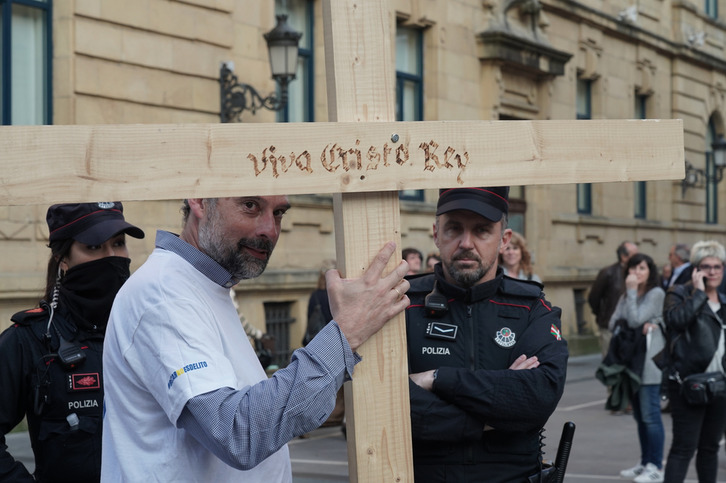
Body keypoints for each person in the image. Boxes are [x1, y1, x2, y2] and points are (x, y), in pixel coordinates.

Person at [101, 197, 410, 481]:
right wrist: (345, 333)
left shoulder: (204, 284)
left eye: (278, 213)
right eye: (250, 205)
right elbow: (236, 433)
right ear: (198, 200)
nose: (269, 230)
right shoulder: (164, 293)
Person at [405, 187, 568, 482]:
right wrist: (493, 418)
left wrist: (436, 379)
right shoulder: (403, 305)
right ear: (436, 234)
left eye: (481, 231)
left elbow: (537, 396)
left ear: (504, 240)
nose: (466, 243)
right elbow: (390, 405)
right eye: (454, 228)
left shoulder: (532, 309)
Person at [0, 202, 144, 482]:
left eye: (118, 243)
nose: (112, 256)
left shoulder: (149, 329)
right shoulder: (30, 339)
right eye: (93, 247)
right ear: (63, 259)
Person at [662, 240, 726, 483]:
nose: (712, 272)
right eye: (706, 266)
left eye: (717, 266)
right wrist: (698, 293)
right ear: (696, 269)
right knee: (683, 448)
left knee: (710, 448)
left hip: (720, 385)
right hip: (689, 383)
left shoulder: (724, 300)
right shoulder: (678, 293)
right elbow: (676, 321)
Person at [608, 253, 666, 483]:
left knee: (651, 416)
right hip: (631, 363)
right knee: (640, 417)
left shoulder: (656, 293)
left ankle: (656, 466)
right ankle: (644, 463)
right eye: (633, 268)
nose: (637, 273)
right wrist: (630, 299)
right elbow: (614, 322)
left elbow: (632, 320)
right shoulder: (627, 295)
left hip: (649, 364)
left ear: (650, 271)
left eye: (642, 268)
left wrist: (631, 294)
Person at [588, 241, 639, 358]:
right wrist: (602, 315)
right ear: (624, 256)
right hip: (609, 325)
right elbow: (594, 298)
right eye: (634, 255)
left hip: (631, 326)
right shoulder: (608, 273)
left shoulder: (638, 273)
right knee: (610, 360)